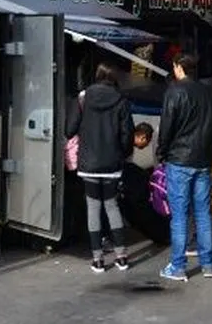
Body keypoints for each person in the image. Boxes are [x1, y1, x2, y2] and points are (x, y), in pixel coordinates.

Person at [155, 52, 212, 281]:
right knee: (202, 213)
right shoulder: (209, 93)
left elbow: (167, 127)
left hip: (179, 159)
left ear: (178, 68)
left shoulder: (174, 91)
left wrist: (161, 152)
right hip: (203, 160)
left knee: (180, 215)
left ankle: (178, 265)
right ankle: (208, 264)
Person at [64, 62, 135, 272]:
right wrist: (122, 153)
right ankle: (121, 256)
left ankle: (98, 260)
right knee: (112, 206)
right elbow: (127, 134)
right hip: (112, 162)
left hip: (89, 162)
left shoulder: (83, 98)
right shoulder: (121, 100)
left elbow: (70, 129)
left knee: (93, 207)